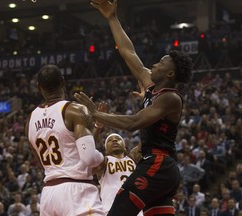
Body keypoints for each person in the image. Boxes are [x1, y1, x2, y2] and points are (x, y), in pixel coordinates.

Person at [74, 0, 193, 215]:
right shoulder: (152, 86)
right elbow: (128, 52)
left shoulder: (170, 98)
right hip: (159, 168)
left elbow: (134, 123)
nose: (154, 64)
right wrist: (112, 18)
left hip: (157, 164)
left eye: (161, 62)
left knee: (119, 210)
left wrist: (95, 113)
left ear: (170, 74)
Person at [25, 64, 105, 216]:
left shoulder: (29, 120)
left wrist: (97, 127)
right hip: (77, 192)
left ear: (38, 87)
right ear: (63, 81)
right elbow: (88, 157)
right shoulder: (75, 110)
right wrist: (103, 160)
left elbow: (43, 163)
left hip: (49, 194)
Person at [94, 132, 143, 215]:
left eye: (118, 139)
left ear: (124, 147)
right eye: (110, 140)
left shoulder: (132, 158)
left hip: (135, 208)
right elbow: (89, 148)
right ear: (106, 149)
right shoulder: (104, 162)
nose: (114, 140)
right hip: (111, 208)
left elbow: (146, 142)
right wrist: (97, 128)